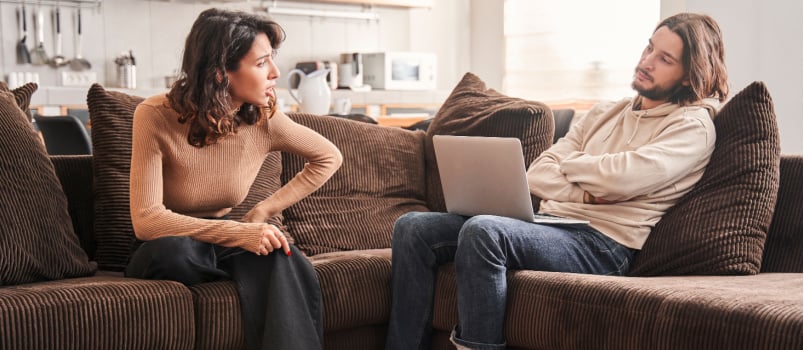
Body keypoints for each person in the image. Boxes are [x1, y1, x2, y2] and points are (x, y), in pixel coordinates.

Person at [386, 12, 728, 350]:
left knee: (484, 231)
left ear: (688, 75)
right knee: (413, 227)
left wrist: (575, 165)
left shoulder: (692, 127)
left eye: (664, 59)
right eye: (649, 48)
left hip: (605, 244)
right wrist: (591, 193)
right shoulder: (605, 111)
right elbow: (539, 172)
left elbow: (621, 178)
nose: (647, 61)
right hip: (551, 223)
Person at [124, 8, 342, 350]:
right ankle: (243, 276)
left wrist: (259, 216)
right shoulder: (154, 116)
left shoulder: (264, 118)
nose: (275, 72)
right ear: (220, 72)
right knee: (176, 251)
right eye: (261, 63)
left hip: (224, 245)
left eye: (272, 59)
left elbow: (329, 157)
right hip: (168, 243)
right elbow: (146, 220)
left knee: (281, 254)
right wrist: (239, 233)